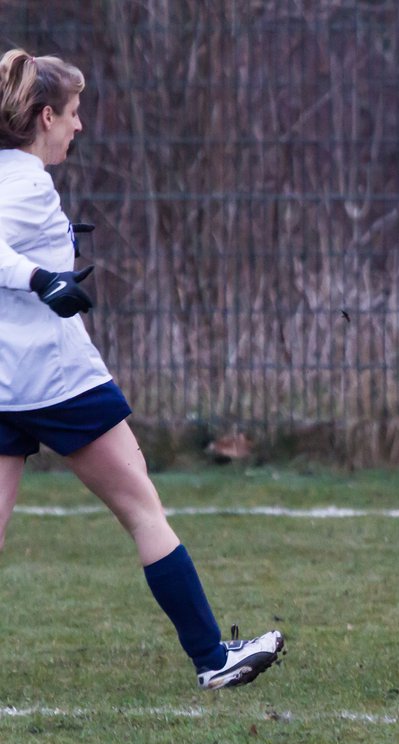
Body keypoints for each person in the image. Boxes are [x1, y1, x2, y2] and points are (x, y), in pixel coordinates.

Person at [0, 48, 284, 690]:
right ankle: (214, 659)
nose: (79, 126)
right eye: (73, 113)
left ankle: (214, 655)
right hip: (58, 382)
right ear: (45, 116)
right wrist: (43, 276)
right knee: (142, 509)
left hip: (6, 383)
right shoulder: (25, 182)